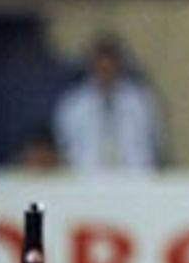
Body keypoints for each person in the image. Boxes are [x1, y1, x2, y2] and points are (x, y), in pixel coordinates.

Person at [52, 33, 165, 173]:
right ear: (92, 68)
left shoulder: (142, 102)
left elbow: (156, 142)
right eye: (101, 68)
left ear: (119, 67)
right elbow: (64, 146)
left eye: (110, 68)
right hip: (86, 180)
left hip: (135, 179)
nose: (106, 73)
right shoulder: (74, 105)